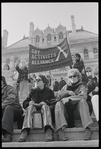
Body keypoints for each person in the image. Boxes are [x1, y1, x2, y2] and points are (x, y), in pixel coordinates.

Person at [55, 68, 93, 141]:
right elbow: (58, 97)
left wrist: (69, 99)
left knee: (82, 101)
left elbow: (83, 96)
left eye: (74, 76)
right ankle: (60, 130)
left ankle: (88, 128)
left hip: (78, 111)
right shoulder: (65, 87)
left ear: (78, 77)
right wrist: (67, 92)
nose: (72, 78)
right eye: (70, 76)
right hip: (67, 112)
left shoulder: (82, 86)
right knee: (58, 104)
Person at [18, 75, 55, 142]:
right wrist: (29, 103)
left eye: (38, 80)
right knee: (30, 107)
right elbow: (25, 102)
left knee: (45, 106)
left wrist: (46, 102)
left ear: (43, 82)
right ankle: (25, 130)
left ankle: (48, 129)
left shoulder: (49, 91)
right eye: (35, 80)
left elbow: (53, 101)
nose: (36, 81)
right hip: (35, 108)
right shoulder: (33, 91)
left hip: (45, 109)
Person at [2, 76, 23, 142]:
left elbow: (12, 98)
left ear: (2, 82)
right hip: (4, 113)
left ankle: (7, 135)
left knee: (8, 108)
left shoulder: (10, 88)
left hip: (16, 111)